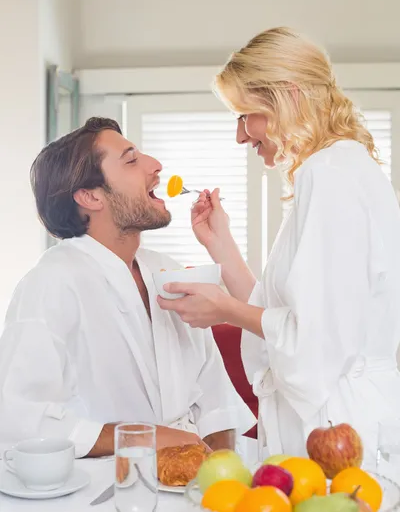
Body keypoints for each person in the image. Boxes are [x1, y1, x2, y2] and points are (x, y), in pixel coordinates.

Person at [158, 27, 400, 465]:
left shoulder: (329, 175)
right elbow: (287, 315)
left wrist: (223, 310)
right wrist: (223, 249)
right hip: (333, 417)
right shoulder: (334, 170)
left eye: (245, 115)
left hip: (337, 426)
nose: (241, 136)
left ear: (287, 96)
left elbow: (316, 339)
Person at [0, 117, 256, 458]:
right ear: (90, 196)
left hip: (189, 487)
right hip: (98, 492)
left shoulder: (168, 272)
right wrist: (142, 437)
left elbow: (216, 399)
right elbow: (18, 417)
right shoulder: (50, 284)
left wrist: (219, 476)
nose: (155, 166)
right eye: (131, 160)